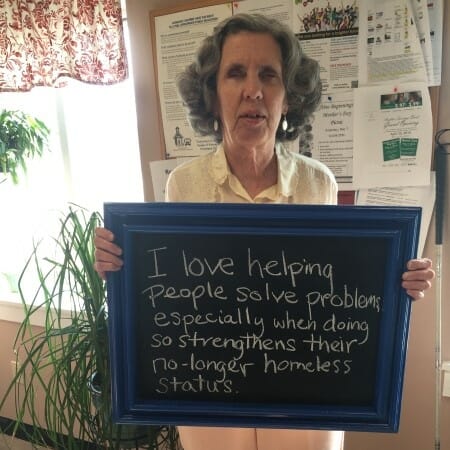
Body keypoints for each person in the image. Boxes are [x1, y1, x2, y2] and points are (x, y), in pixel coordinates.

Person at [94, 13, 435, 450]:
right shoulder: (184, 183)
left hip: (306, 389)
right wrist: (118, 265)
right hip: (209, 386)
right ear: (213, 96)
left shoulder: (318, 183)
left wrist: (399, 279)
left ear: (288, 98)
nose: (252, 89)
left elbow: (340, 292)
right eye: (235, 73)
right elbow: (167, 288)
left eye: (268, 75)